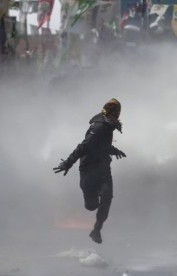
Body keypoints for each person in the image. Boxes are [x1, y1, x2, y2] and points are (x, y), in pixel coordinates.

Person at [53, 98, 126, 244]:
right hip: (88, 169)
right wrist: (68, 163)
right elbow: (84, 147)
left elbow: (103, 145)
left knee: (107, 196)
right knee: (91, 206)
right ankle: (93, 203)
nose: (115, 119)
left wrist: (114, 150)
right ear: (107, 114)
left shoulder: (109, 126)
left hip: (104, 168)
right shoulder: (98, 128)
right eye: (113, 115)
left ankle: (96, 230)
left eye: (116, 116)